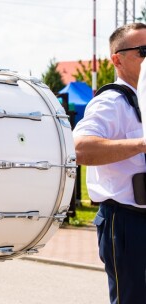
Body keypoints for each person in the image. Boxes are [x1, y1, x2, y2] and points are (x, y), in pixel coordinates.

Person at [73, 22, 146, 304]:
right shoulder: (111, 102)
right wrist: (141, 143)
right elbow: (79, 149)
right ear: (117, 59)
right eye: (143, 51)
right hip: (127, 220)